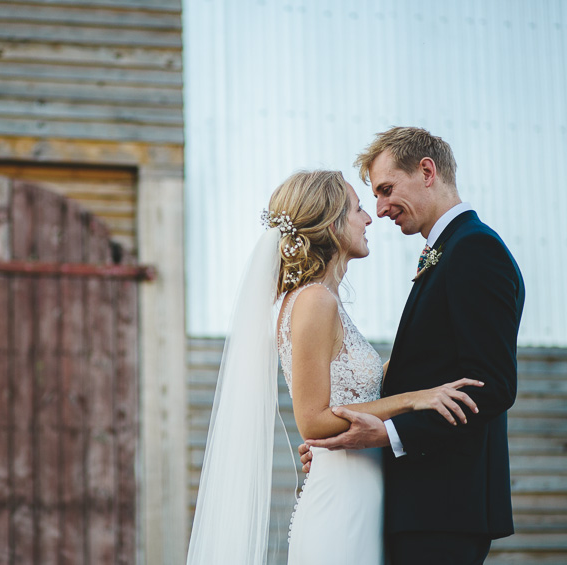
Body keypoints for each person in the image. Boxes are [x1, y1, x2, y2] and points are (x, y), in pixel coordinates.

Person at [186, 169, 484, 565]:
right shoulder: (314, 301)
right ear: (331, 224)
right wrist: (415, 399)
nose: (369, 218)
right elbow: (313, 421)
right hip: (341, 502)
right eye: (358, 209)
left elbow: (355, 391)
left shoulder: (324, 300)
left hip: (363, 492)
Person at [300, 127, 525, 565]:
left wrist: (385, 434)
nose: (380, 210)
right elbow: (421, 373)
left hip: (444, 508)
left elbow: (492, 386)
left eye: (386, 190)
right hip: (418, 504)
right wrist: (341, 436)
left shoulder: (475, 250)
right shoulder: (448, 251)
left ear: (426, 171)